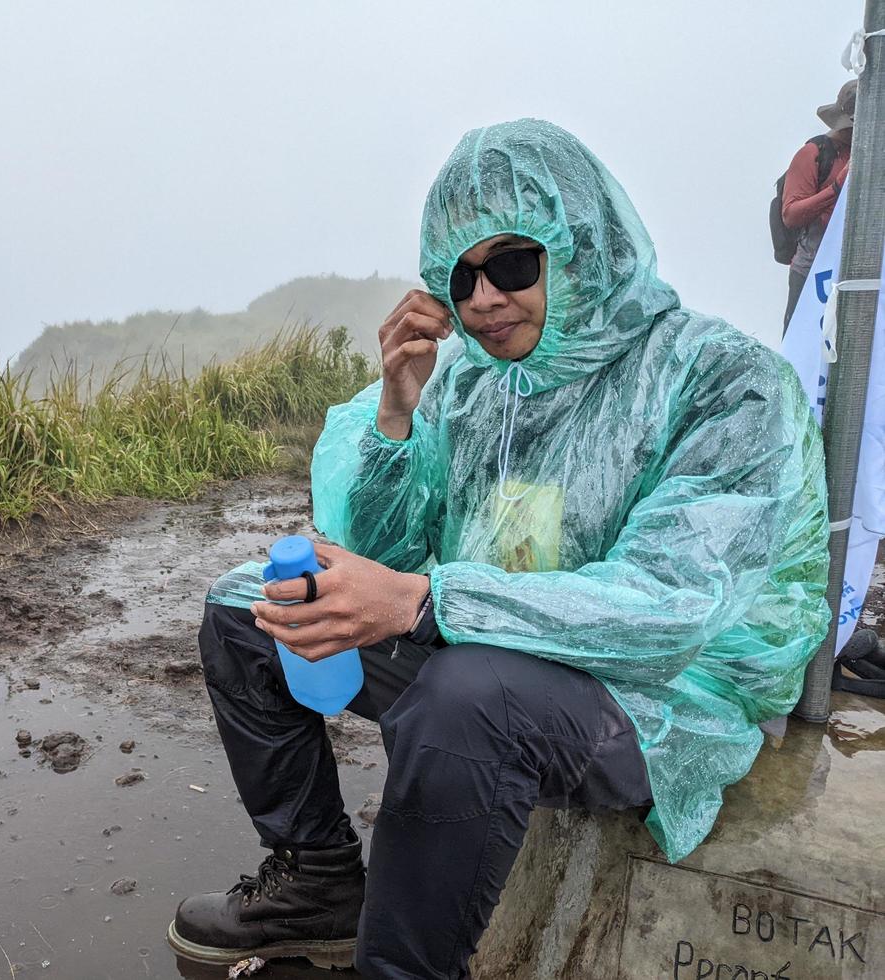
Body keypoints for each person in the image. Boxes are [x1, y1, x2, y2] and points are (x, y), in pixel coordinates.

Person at [165, 119, 830, 979]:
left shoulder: (719, 379)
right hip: (494, 642)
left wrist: (427, 603)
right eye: (460, 275)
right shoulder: (477, 385)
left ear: (583, 249)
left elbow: (672, 609)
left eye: (514, 263)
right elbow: (383, 554)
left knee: (463, 699)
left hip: (661, 691)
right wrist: (397, 416)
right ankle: (321, 880)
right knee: (250, 607)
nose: (483, 298)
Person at [781, 79, 855, 334]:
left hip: (855, 273)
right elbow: (791, 214)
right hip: (811, 272)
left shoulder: (870, 154)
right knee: (803, 347)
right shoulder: (814, 153)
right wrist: (835, 188)